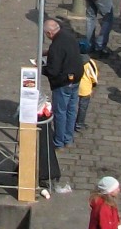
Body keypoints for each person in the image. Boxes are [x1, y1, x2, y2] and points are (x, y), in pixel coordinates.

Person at [44, 18, 82, 150]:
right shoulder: (69, 36)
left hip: (63, 83)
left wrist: (40, 67)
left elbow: (53, 71)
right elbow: (66, 51)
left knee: (60, 112)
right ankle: (68, 138)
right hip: (76, 79)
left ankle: (59, 142)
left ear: (49, 33)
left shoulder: (55, 46)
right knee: (71, 110)